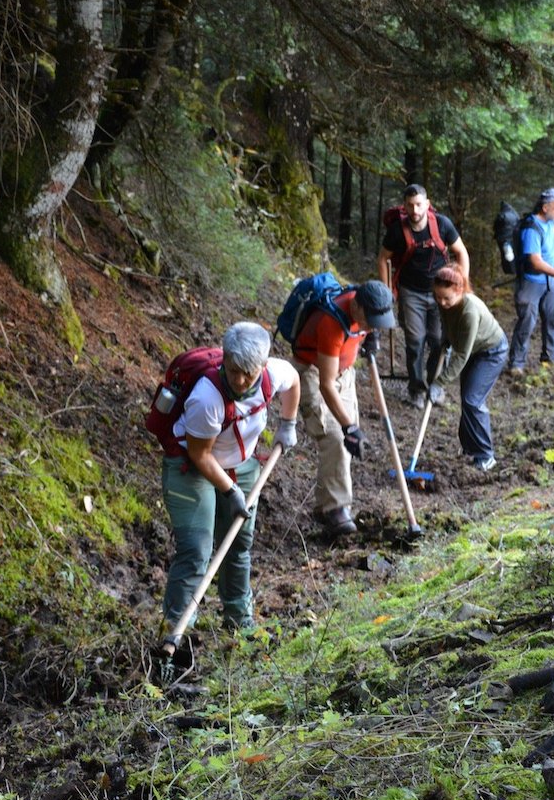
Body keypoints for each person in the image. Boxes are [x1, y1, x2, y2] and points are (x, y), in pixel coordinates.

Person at [161, 322, 299, 634]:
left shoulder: (271, 374)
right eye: (233, 369)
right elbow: (200, 455)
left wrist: (287, 424)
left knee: (238, 543)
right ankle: (175, 630)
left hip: (240, 465)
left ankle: (239, 619)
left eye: (247, 374)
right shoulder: (206, 398)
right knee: (196, 550)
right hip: (191, 469)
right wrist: (231, 490)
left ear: (262, 366)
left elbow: (293, 380)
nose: (238, 380)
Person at [289, 278, 396, 536]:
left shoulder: (368, 311)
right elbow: (326, 385)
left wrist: (372, 336)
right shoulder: (331, 323)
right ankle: (335, 509)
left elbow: (367, 326)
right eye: (370, 321)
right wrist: (348, 426)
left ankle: (327, 504)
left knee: (347, 440)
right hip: (313, 373)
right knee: (336, 436)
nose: (372, 326)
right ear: (357, 308)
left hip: (344, 373)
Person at [377, 183, 471, 409]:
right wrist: (387, 291)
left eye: (419, 204)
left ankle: (435, 383)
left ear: (427, 204)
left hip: (442, 292)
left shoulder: (442, 224)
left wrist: (461, 286)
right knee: (415, 341)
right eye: (410, 205)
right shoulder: (398, 231)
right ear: (405, 206)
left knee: (439, 341)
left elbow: (461, 252)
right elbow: (383, 259)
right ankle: (416, 388)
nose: (415, 210)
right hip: (411, 292)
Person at [431, 267, 508, 471]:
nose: (442, 302)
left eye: (447, 298)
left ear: (460, 290)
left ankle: (485, 455)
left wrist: (439, 383)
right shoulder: (444, 302)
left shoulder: (470, 311)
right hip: (473, 350)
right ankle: (470, 449)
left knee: (472, 400)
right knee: (467, 399)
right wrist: (446, 339)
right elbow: (446, 322)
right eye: (438, 297)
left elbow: (462, 356)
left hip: (491, 351)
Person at [506, 187, 554, 376]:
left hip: (549, 282)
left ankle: (549, 359)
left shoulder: (550, 223)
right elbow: (536, 262)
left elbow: (549, 253)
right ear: (545, 207)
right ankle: (516, 364)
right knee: (527, 323)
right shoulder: (532, 228)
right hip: (531, 282)